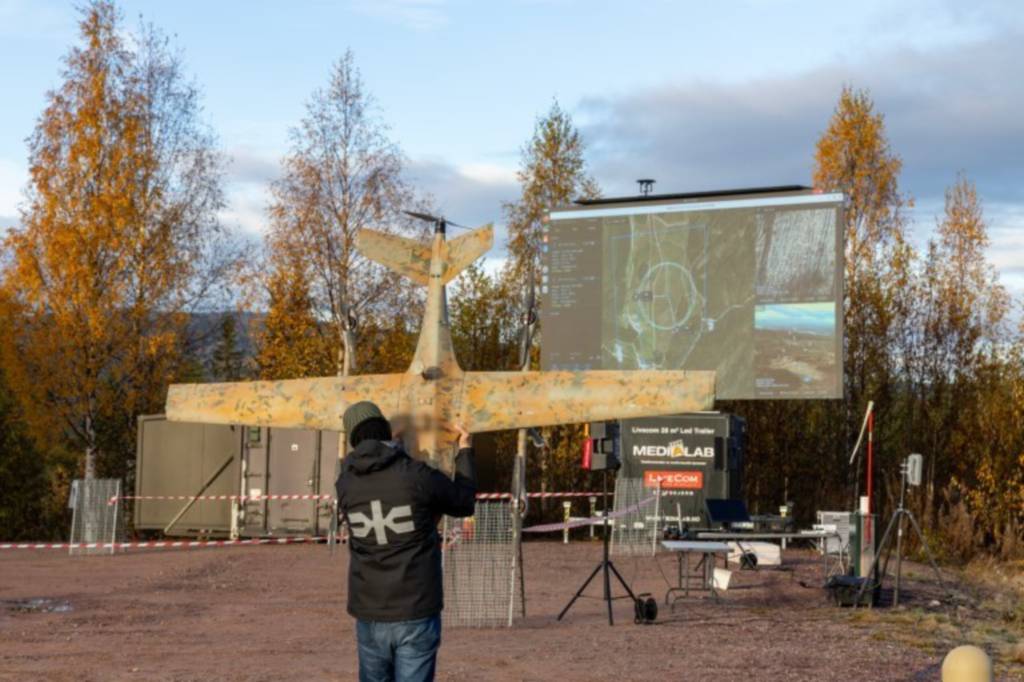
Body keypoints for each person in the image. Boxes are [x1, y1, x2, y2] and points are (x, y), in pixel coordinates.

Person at [336, 401, 477, 682]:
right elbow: (463, 503)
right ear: (385, 431)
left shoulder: (345, 484)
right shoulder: (416, 475)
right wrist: (464, 451)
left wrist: (394, 445)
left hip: (369, 609)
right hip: (415, 606)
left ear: (353, 439)